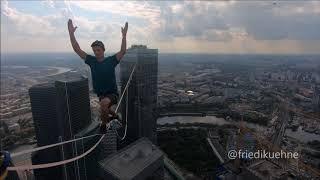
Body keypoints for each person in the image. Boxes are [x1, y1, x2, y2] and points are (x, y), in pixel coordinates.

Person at [67, 19, 128, 133]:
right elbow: (77, 49)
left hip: (112, 93)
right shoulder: (91, 61)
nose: (96, 52)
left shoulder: (111, 61)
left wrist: (124, 36)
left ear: (103, 50)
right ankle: (114, 116)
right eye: (94, 50)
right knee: (105, 107)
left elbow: (123, 51)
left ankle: (104, 125)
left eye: (98, 50)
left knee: (104, 105)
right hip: (101, 94)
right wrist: (71, 33)